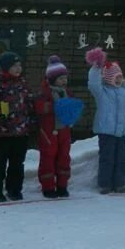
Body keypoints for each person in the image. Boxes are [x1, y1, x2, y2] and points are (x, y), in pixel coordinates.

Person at [0, 51, 34, 202]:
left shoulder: (23, 84)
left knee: (17, 164)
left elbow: (29, 104)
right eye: (14, 65)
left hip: (21, 132)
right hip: (3, 133)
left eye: (19, 65)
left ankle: (14, 190)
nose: (18, 68)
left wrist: (32, 118)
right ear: (5, 68)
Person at [86, 48, 125, 194]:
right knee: (107, 158)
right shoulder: (102, 92)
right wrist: (96, 67)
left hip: (120, 133)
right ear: (108, 78)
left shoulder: (124, 91)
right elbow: (93, 83)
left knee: (121, 159)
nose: (118, 79)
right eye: (115, 77)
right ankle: (105, 184)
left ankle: (119, 183)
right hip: (106, 132)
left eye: (120, 76)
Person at [34, 55, 74, 198]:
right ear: (52, 79)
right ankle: (48, 187)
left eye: (65, 78)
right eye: (61, 78)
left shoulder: (67, 93)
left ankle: (62, 185)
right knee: (48, 158)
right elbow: (39, 107)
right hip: (49, 132)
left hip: (64, 131)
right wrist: (54, 107)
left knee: (64, 157)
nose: (64, 81)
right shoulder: (44, 92)